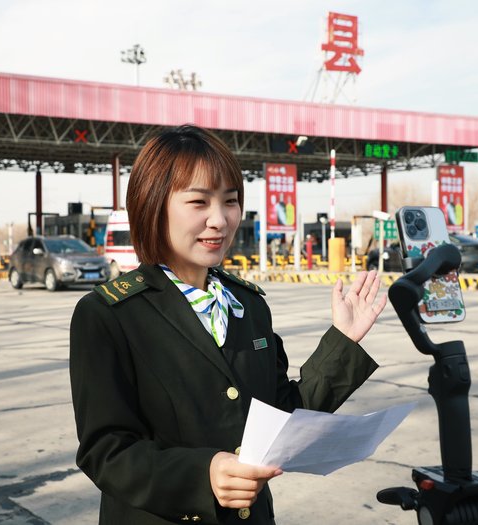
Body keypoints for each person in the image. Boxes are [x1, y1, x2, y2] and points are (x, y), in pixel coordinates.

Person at [69, 124, 388, 525]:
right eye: (198, 202)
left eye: (231, 201)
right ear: (153, 205)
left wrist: (342, 341)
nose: (219, 220)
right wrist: (202, 474)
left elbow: (281, 419)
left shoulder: (248, 305)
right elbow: (106, 451)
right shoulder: (109, 315)